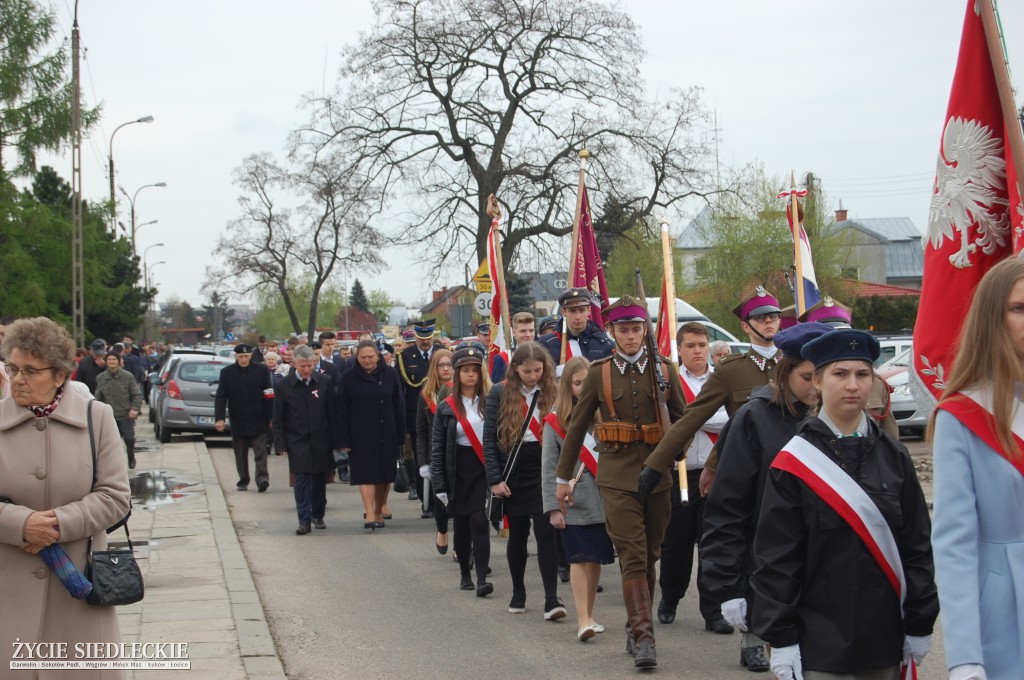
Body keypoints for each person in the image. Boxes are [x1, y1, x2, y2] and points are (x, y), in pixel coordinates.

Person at [750, 329, 938, 680]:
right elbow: (777, 558)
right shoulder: (794, 462)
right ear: (817, 381)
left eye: (862, 374)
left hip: (884, 637)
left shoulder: (894, 456)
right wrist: (782, 637)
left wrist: (920, 621)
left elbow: (916, 548)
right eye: (840, 374)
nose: (853, 385)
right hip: (819, 640)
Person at [556, 296, 687, 669]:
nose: (631, 336)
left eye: (636, 329)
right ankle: (646, 640)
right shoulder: (599, 372)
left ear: (645, 330)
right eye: (624, 330)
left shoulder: (665, 370)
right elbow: (578, 424)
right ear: (611, 331)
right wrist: (563, 478)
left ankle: (634, 626)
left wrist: (671, 455)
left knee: (650, 556)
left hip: (657, 476)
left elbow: (683, 423)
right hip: (615, 476)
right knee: (632, 554)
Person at [0, 317, 131, 674]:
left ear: (60, 375)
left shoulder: (97, 418)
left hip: (79, 593)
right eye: (12, 367)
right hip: (7, 597)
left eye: (30, 370)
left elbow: (116, 496)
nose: (17, 379)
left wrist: (57, 524)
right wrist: (19, 524)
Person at [701, 322, 832, 673]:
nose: (817, 388)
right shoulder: (754, 418)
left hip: (833, 568)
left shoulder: (842, 420)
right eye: (807, 377)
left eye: (824, 376)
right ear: (785, 372)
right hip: (773, 565)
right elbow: (728, 506)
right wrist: (727, 585)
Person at [930, 258, 1024, 680]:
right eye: (1019, 308)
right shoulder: (962, 415)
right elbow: (955, 545)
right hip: (1007, 612)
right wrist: (965, 655)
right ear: (992, 318)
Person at [647, 286, 782, 498]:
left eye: (773, 315)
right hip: (748, 473)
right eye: (759, 317)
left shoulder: (795, 365)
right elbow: (691, 418)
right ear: (745, 326)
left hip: (789, 471)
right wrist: (656, 463)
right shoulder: (731, 370)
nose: (768, 321)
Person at [656, 322, 732, 633]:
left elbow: (729, 421)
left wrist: (692, 419)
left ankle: (713, 611)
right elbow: (668, 422)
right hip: (680, 475)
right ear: (680, 349)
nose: (697, 350)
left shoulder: (721, 380)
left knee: (713, 547)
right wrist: (697, 419)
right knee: (676, 545)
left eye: (702, 344)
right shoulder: (669, 382)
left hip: (715, 474)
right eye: (691, 346)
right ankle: (670, 598)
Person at [484, 341, 563, 619]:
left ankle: (552, 598)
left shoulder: (553, 390)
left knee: (546, 533)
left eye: (538, 370)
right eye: (528, 371)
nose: (533, 376)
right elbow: (489, 440)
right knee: (518, 534)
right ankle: (519, 591)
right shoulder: (499, 392)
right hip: (514, 467)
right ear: (515, 368)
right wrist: (494, 479)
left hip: (544, 466)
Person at [541, 356, 615, 641]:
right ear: (567, 385)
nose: (583, 388)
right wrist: (552, 507)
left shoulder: (605, 414)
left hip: (604, 498)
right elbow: (549, 469)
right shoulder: (555, 420)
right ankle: (582, 619)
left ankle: (591, 615)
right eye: (577, 383)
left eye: (588, 382)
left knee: (595, 559)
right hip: (573, 501)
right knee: (578, 558)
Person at [430, 346, 493, 596]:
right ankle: (465, 573)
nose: (470, 375)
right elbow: (437, 448)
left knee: (479, 521)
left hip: (482, 468)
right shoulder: (446, 407)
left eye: (475, 371)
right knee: (463, 526)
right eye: (465, 370)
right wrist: (439, 486)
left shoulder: (490, 401)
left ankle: (481, 578)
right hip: (457, 468)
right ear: (456, 374)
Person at [337, 340, 405, 529]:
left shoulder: (390, 374)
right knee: (365, 475)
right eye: (363, 357)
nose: (367, 360)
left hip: (387, 431)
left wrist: (401, 434)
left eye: (371, 357)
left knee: (384, 476)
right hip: (360, 434)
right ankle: (369, 514)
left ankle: (378, 510)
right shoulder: (348, 378)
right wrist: (343, 438)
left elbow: (398, 404)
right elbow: (341, 409)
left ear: (378, 356)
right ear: (356, 358)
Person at [273, 345, 339, 535]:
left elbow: (332, 413)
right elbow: (278, 417)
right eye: (303, 366)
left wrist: (337, 440)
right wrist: (280, 444)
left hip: (321, 439)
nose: (306, 370)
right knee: (301, 480)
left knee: (319, 479)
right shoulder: (284, 385)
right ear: (294, 364)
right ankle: (304, 520)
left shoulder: (324, 382)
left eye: (310, 366)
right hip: (297, 441)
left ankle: (317, 515)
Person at [215, 344, 275, 492]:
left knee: (260, 451)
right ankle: (243, 480)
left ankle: (262, 479)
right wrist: (220, 418)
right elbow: (221, 397)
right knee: (240, 453)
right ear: (235, 357)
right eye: (240, 356)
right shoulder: (227, 373)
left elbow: (268, 394)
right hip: (238, 418)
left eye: (246, 356)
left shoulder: (262, 370)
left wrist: (271, 417)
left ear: (250, 356)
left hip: (258, 417)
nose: (243, 359)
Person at [398, 320, 440, 507]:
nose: (426, 342)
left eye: (429, 338)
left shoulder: (442, 354)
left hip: (441, 414)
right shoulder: (405, 357)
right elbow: (400, 391)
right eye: (422, 339)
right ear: (416, 337)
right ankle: (426, 501)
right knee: (421, 457)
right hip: (417, 416)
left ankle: (441, 498)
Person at [416, 349, 454, 552]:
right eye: (442, 365)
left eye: (449, 364)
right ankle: (442, 530)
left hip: (460, 454)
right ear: (435, 368)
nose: (446, 368)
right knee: (441, 501)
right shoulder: (426, 395)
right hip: (437, 455)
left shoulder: (463, 389)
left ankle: (464, 548)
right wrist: (423, 462)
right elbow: (421, 432)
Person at [541, 287, 615, 369]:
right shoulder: (546, 344)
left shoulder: (605, 344)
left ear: (589, 310)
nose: (577, 317)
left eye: (582, 310)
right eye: (572, 311)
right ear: (563, 312)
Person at [94, 352, 143, 470]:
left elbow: (136, 395)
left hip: (125, 414)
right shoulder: (101, 378)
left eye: (114, 359)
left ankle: (131, 457)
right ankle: (113, 464)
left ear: (119, 361)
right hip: (109, 417)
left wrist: (134, 409)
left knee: (129, 439)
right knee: (109, 444)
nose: (112, 362)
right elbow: (98, 397)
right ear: (106, 362)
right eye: (109, 359)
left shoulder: (127, 376)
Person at [491, 312, 536, 383]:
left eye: (531, 330)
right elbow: (497, 390)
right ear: (514, 332)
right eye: (523, 331)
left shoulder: (543, 355)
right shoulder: (503, 358)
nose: (528, 335)